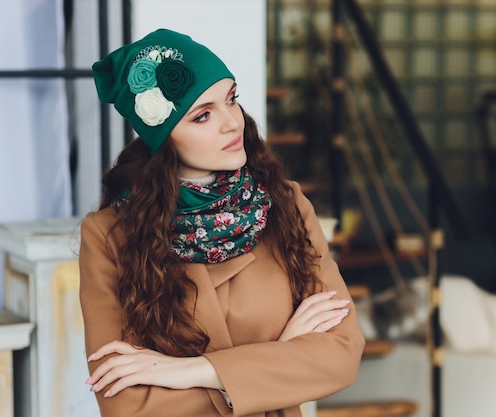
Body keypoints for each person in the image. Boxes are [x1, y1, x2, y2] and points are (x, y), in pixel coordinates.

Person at [79, 28, 365, 417]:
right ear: (164, 137)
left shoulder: (285, 204)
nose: (233, 123)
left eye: (231, 99)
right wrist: (281, 357)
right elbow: (127, 405)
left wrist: (190, 371)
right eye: (203, 115)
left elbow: (342, 353)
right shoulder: (110, 236)